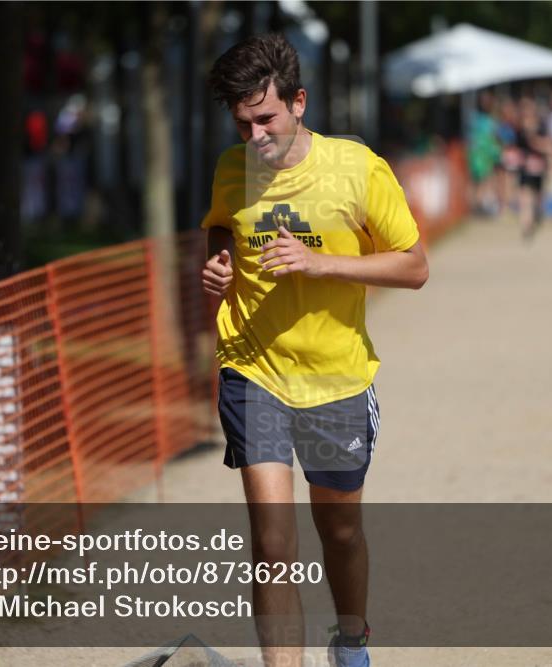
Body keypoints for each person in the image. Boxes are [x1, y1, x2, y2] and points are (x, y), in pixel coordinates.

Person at [201, 33, 428, 667]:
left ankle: (351, 641)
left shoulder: (357, 169)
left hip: (337, 376)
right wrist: (219, 262)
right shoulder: (231, 166)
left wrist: (320, 263)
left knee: (341, 530)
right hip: (254, 368)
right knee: (273, 541)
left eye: (266, 118)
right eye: (242, 123)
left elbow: (414, 267)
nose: (254, 137)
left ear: (299, 102)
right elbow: (222, 221)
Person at [515, 97, 552, 240]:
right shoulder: (519, 129)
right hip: (525, 169)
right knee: (524, 198)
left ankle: (537, 214)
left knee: (538, 198)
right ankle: (526, 225)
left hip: (539, 169)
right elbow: (516, 148)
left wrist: (537, 143)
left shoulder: (541, 126)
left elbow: (548, 145)